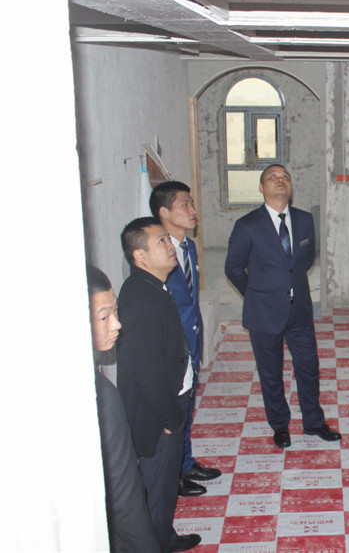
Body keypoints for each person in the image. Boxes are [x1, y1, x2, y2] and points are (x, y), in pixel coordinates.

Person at [225, 164, 340, 448]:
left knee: (309, 367)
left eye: (285, 177)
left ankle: (313, 422)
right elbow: (233, 269)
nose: (280, 180)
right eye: (273, 177)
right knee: (271, 373)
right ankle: (279, 425)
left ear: (290, 186)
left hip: (299, 309)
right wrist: (256, 295)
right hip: (263, 313)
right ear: (261, 187)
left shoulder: (303, 220)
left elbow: (306, 259)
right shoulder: (247, 225)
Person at [116, 217, 201, 552]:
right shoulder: (140, 298)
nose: (170, 246)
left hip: (169, 405)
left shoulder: (152, 286)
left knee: (165, 485)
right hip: (160, 414)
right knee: (158, 486)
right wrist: (168, 419)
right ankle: (156, 543)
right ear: (140, 255)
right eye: (161, 242)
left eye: (168, 239)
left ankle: (163, 537)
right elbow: (147, 370)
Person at [150, 181, 221, 498]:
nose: (193, 211)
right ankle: (172, 474)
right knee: (173, 413)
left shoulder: (188, 247)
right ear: (164, 212)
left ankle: (186, 462)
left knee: (188, 405)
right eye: (185, 205)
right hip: (171, 347)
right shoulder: (156, 254)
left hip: (190, 340)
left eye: (192, 204)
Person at [87, 264, 160, 553]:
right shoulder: (100, 397)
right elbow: (124, 499)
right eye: (104, 316)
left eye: (115, 312)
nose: (117, 324)